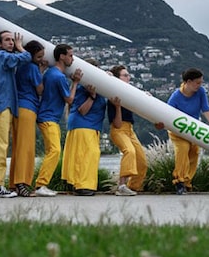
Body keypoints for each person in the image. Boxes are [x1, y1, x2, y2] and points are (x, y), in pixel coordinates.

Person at [0, 30, 31, 198]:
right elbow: (25, 58)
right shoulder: (1, 56)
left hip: (5, 105)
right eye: (7, 40)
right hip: (1, 106)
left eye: (13, 40)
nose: (11, 42)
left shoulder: (2, 57)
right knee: (0, 146)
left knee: (1, 146)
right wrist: (21, 47)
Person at [34, 43, 83, 197]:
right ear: (61, 56)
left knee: (52, 150)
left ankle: (41, 184)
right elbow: (69, 99)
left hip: (45, 116)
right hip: (49, 118)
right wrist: (75, 83)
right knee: (55, 151)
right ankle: (41, 184)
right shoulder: (59, 76)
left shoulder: (49, 73)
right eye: (70, 55)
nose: (72, 59)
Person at [166, 68, 209, 195]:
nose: (200, 85)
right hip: (177, 131)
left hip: (193, 129)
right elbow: (167, 114)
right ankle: (179, 182)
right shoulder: (175, 97)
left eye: (201, 82)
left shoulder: (200, 92)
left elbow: (206, 109)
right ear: (188, 82)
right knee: (182, 151)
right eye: (197, 82)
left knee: (195, 152)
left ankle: (187, 182)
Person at [62, 59, 106, 196]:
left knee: (88, 155)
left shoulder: (90, 87)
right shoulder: (84, 89)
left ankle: (80, 184)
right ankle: (83, 185)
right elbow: (82, 110)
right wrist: (92, 97)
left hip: (88, 126)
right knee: (87, 155)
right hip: (84, 125)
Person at [10, 40, 46, 197]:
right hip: (28, 108)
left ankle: (14, 183)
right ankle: (22, 183)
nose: (40, 60)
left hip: (18, 108)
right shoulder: (32, 67)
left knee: (19, 147)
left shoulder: (22, 66)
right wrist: (41, 71)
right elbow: (40, 90)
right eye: (39, 57)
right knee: (26, 148)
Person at [107, 65, 147, 196]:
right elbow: (117, 124)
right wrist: (118, 107)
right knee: (129, 151)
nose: (128, 77)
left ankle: (133, 187)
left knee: (141, 160)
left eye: (128, 75)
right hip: (119, 130)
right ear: (118, 78)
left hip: (130, 129)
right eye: (125, 75)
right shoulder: (114, 95)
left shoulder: (129, 93)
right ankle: (121, 185)